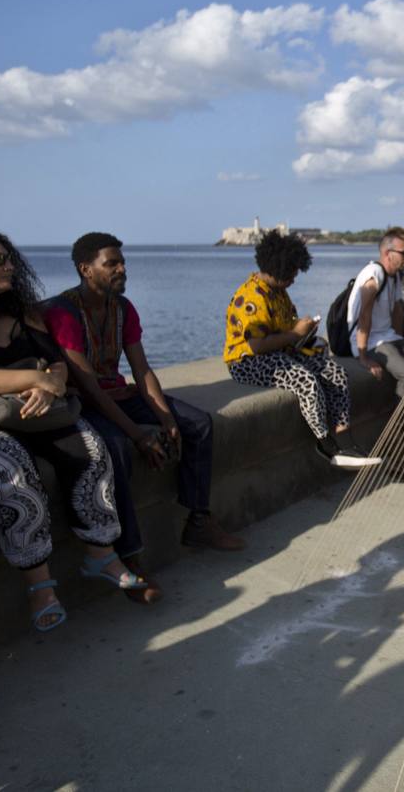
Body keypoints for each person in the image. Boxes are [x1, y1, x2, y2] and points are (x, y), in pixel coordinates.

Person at [0, 230, 142, 635]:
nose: (10, 266)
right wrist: (33, 378)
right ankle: (40, 585)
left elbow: (56, 365)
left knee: (90, 446)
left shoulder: (21, 312)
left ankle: (101, 553)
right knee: (14, 469)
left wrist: (48, 383)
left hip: (24, 414)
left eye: (10, 258)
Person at [42, 233, 245, 606]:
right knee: (115, 448)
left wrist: (165, 417)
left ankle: (199, 520)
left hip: (119, 394)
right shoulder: (63, 312)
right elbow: (88, 387)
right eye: (112, 264)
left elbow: (141, 368)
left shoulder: (123, 308)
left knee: (197, 423)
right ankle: (129, 558)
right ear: (86, 269)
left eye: (122, 262)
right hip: (83, 402)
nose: (122, 269)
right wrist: (138, 435)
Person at [221, 229, 379, 469]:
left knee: (335, 373)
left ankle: (344, 438)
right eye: (292, 273)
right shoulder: (252, 298)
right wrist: (295, 334)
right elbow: (257, 345)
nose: (294, 279)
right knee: (305, 381)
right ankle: (325, 443)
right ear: (278, 269)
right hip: (246, 362)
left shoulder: (279, 292)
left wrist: (303, 329)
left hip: (279, 353)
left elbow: (286, 329)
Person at [349, 227, 404, 476]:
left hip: (388, 337)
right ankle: (394, 434)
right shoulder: (374, 273)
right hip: (370, 341)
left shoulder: (395, 277)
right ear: (388, 253)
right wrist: (363, 356)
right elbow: (364, 314)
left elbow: (396, 313)